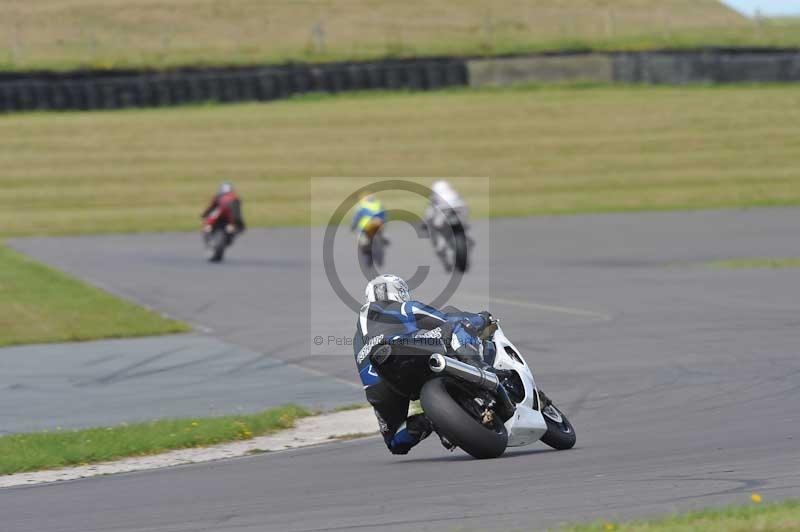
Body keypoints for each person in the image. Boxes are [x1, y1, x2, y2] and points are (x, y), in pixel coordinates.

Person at [353, 274, 500, 455]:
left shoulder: (357, 338)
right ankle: (481, 369)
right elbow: (446, 319)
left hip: (378, 383)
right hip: (404, 350)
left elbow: (364, 369)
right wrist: (482, 318)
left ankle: (430, 420)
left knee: (395, 442)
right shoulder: (402, 307)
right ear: (399, 292)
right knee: (459, 324)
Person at [424, 180, 469, 265]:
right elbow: (464, 207)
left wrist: (426, 224)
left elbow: (430, 213)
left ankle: (444, 251)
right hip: (459, 215)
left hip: (443, 220)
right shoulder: (454, 193)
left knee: (438, 234)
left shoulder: (435, 197)